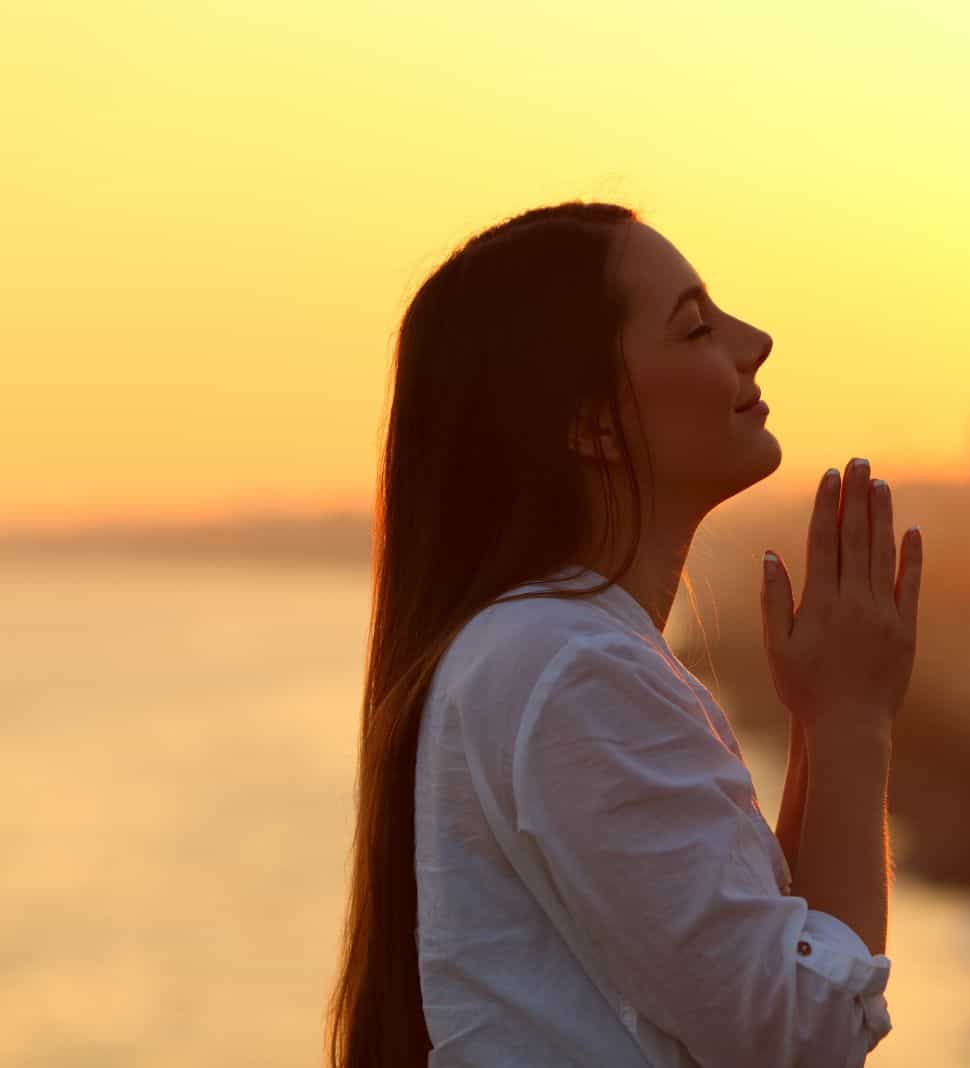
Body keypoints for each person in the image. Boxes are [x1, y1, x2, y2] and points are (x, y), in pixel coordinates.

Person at [325, 201, 924, 1067]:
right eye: (694, 327)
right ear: (593, 424)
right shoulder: (571, 666)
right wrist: (853, 722)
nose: (753, 339)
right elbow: (805, 1037)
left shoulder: (543, 652)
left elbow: (772, 966)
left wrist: (825, 722)